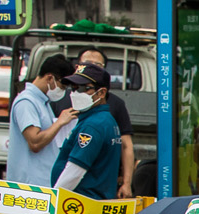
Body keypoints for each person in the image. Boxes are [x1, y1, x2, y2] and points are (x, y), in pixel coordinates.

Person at [50, 62, 124, 199]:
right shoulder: (105, 120)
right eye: (73, 88)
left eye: (83, 88)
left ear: (101, 92)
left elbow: (75, 171)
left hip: (81, 204)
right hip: (93, 202)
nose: (75, 93)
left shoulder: (92, 125)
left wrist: (52, 200)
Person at [7, 54, 75, 187]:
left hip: (41, 182)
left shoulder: (42, 102)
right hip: (29, 185)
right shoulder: (26, 102)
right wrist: (60, 122)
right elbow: (35, 142)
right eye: (62, 85)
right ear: (50, 78)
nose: (63, 91)